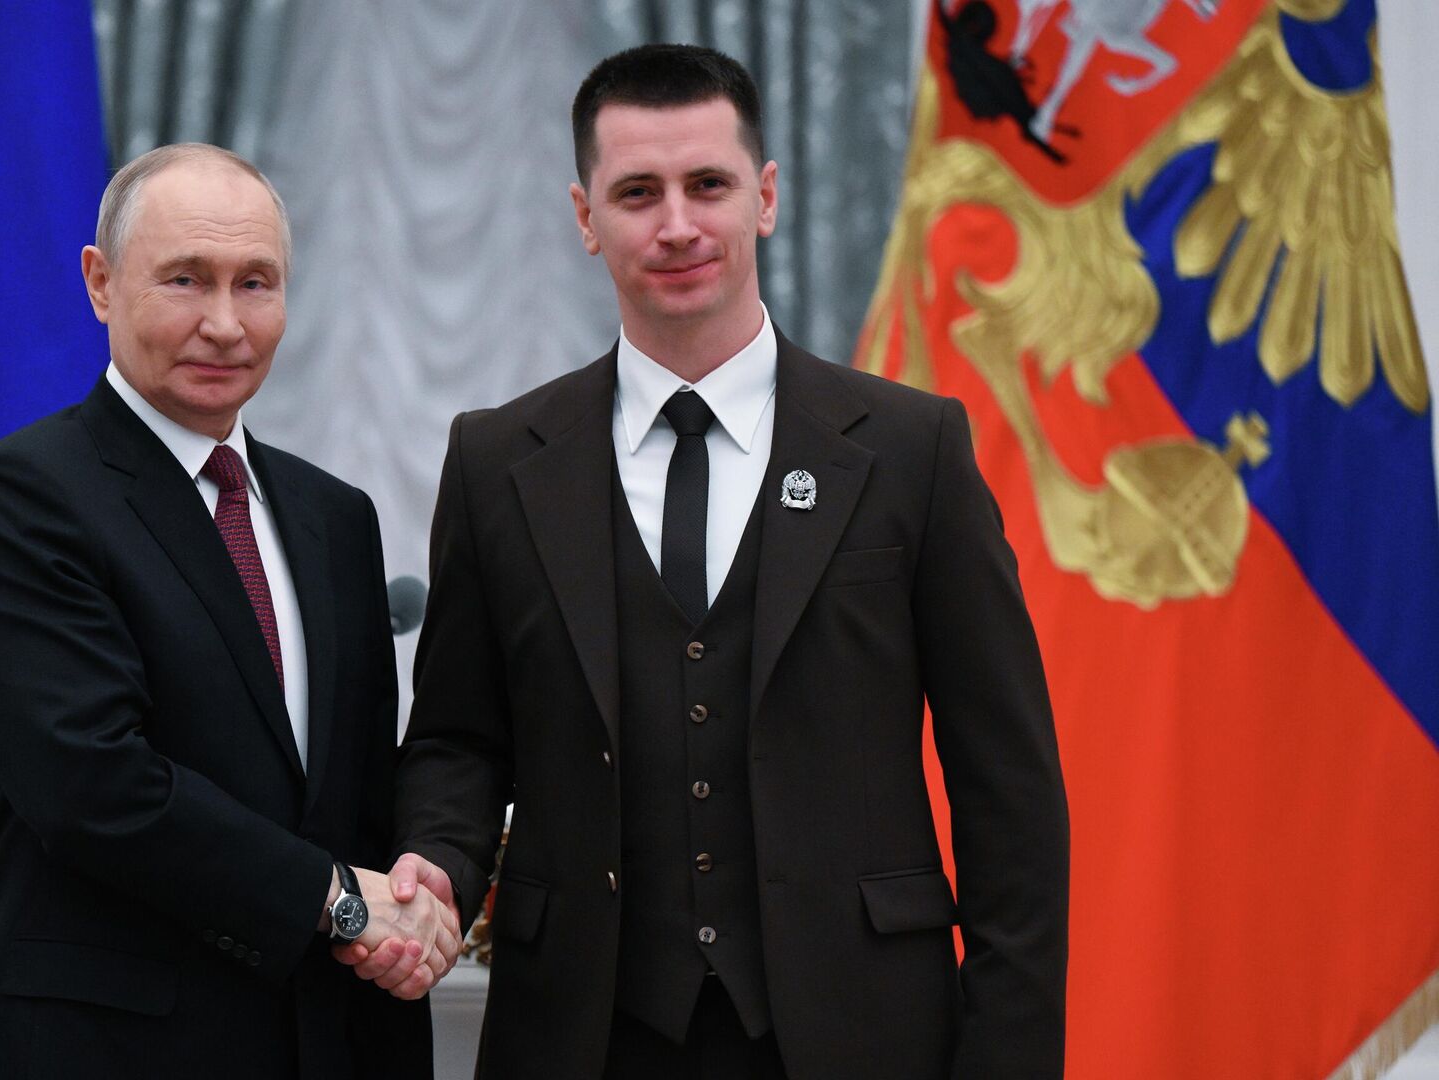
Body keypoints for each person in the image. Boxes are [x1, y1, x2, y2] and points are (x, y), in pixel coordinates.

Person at [356, 44, 1070, 1078]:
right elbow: (459, 740)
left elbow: (1010, 791)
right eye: (637, 193)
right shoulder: (497, 461)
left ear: (765, 198)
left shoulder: (912, 451)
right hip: (582, 1037)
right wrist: (438, 864)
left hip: (864, 1035)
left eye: (708, 185)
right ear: (585, 216)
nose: (677, 224)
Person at [0, 144, 453, 1079]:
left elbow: (357, 798)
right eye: (185, 279)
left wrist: (420, 886)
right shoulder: (26, 497)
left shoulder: (335, 518)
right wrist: (337, 900)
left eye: (255, 283)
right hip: (98, 1053)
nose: (224, 323)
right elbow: (93, 786)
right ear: (100, 283)